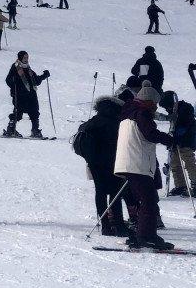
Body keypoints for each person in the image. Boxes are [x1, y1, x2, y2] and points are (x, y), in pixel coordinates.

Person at [114, 81, 174, 249]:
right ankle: (146, 237)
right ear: (147, 100)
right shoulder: (142, 113)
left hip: (130, 162)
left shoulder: (128, 113)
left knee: (149, 200)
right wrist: (169, 139)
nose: (155, 106)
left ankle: (145, 235)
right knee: (148, 201)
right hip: (137, 163)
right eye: (154, 102)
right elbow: (150, 133)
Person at [73, 96, 130, 236]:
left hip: (94, 163)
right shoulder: (116, 122)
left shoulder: (92, 121)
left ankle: (105, 225)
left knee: (100, 192)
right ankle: (118, 224)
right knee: (115, 193)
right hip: (112, 162)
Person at [3, 51, 49, 138]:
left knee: (34, 112)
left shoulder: (28, 68)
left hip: (31, 94)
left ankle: (35, 130)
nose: (26, 59)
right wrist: (14, 84)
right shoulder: (16, 67)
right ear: (20, 57)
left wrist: (44, 76)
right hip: (20, 95)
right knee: (18, 112)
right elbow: (8, 80)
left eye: (27, 57)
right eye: (24, 57)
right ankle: (11, 129)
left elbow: (35, 80)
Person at [167, 98, 196, 197]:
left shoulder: (185, 109)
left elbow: (187, 125)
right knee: (175, 163)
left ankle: (195, 185)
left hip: (186, 141)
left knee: (189, 163)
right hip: (176, 142)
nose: (167, 110)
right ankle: (180, 185)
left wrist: (178, 133)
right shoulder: (174, 110)